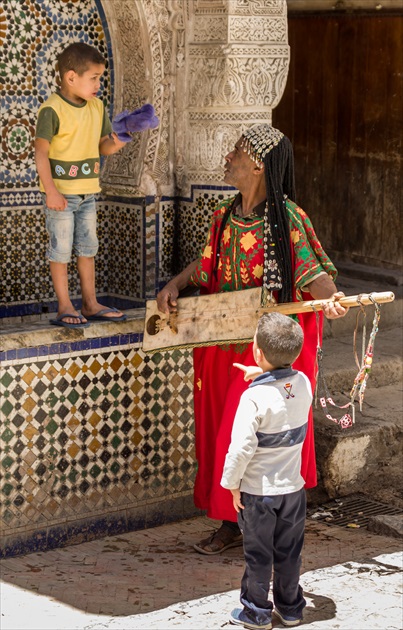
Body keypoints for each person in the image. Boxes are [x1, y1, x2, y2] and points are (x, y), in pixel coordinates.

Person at [156, 124, 347, 554]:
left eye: (237, 151)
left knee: (257, 436)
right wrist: (175, 284)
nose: (228, 158)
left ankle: (258, 523)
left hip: (263, 354)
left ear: (258, 165)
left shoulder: (288, 219)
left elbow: (312, 274)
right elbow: (205, 266)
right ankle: (230, 521)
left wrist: (332, 302)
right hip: (221, 346)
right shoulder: (224, 214)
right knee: (225, 437)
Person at [35, 42, 158, 328]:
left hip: (88, 192)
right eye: (93, 78)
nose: (98, 84)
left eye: (100, 77)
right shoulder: (51, 110)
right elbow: (41, 152)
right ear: (70, 77)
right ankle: (65, 305)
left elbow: (102, 146)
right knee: (61, 250)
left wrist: (123, 134)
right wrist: (51, 191)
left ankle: (90, 304)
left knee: (88, 247)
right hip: (61, 196)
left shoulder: (97, 107)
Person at [222, 312, 311, 630]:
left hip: (259, 495)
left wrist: (232, 484)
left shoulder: (252, 398)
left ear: (257, 351)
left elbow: (241, 448)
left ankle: (256, 613)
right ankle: (291, 609)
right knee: (289, 553)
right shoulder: (303, 384)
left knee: (259, 555)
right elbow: (283, 392)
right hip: (293, 492)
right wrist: (260, 375)